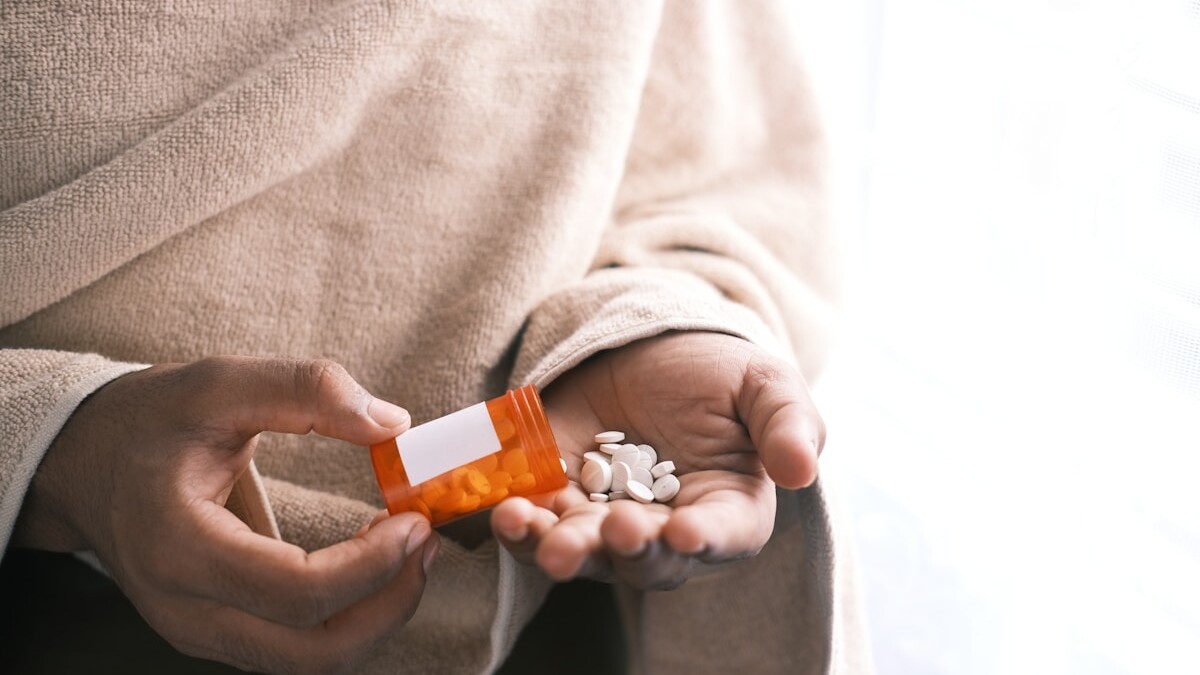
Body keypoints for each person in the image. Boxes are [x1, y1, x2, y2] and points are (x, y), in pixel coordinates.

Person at [0, 1, 869, 673]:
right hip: (56, 604)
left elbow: (725, 177)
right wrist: (53, 445)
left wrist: (649, 330)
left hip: (545, 608)